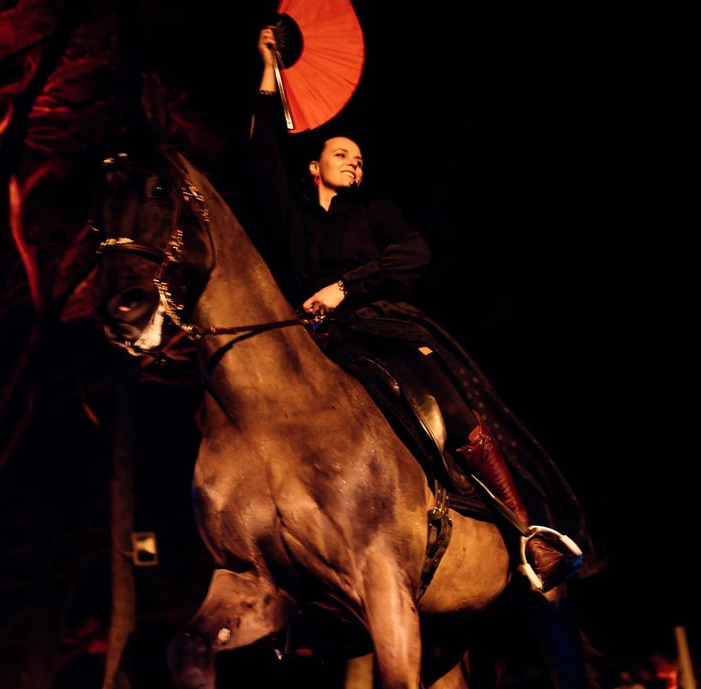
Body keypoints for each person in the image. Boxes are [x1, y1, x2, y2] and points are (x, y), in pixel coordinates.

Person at [247, 25, 601, 595]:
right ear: (314, 167)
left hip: (383, 327)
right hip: (316, 340)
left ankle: (524, 535)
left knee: (452, 407)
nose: (353, 162)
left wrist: (345, 286)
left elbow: (415, 253)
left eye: (359, 158)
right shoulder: (294, 218)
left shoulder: (375, 213)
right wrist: (268, 68)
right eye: (341, 154)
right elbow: (261, 151)